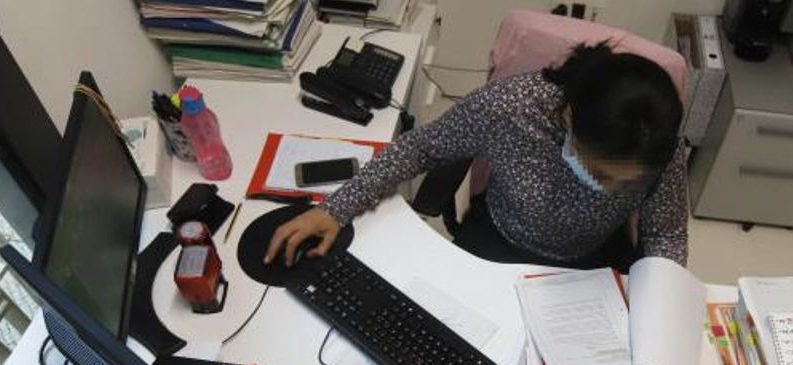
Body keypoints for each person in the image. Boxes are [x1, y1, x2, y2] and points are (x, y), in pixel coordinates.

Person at [264, 42, 688, 269]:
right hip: (503, 240)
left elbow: (666, 234)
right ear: (571, 116)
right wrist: (337, 209)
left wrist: (660, 304)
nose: (609, 190)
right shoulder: (510, 107)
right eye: (599, 172)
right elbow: (420, 147)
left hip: (593, 261)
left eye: (625, 183)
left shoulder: (654, 142)